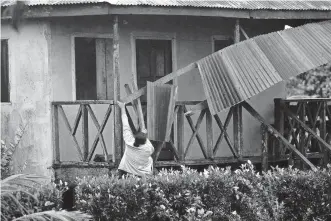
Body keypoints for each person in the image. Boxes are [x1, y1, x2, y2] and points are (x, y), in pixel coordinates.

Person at [117, 101, 154, 178]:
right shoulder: (148, 148)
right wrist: (144, 134)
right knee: (150, 159)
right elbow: (150, 147)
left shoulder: (129, 141)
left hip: (126, 170)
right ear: (145, 141)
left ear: (135, 138)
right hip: (142, 174)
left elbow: (125, 123)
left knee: (126, 158)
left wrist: (123, 108)